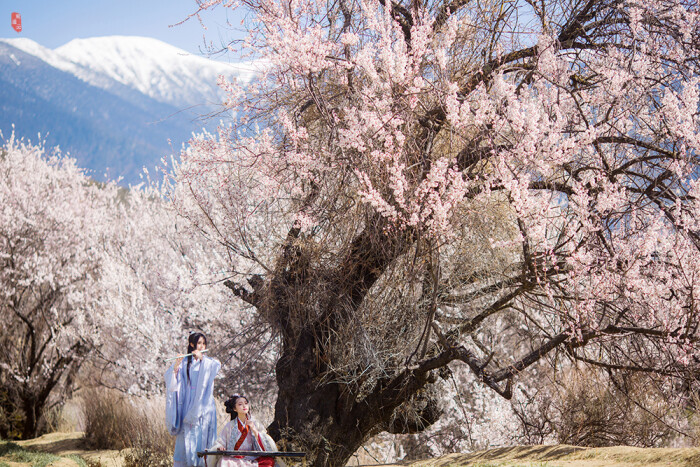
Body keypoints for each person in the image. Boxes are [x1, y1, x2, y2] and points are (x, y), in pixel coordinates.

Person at [165, 332, 221, 467]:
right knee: (186, 440)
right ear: (191, 344)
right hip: (187, 404)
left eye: (204, 343)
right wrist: (176, 367)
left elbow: (216, 367)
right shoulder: (185, 362)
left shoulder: (209, 362)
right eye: (199, 343)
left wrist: (203, 359)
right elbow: (172, 382)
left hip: (204, 405)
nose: (202, 346)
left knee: (202, 437)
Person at [210, 394, 284, 467]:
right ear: (234, 409)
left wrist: (254, 430)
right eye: (240, 404)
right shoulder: (230, 426)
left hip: (252, 457)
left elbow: (265, 441)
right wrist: (220, 447)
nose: (244, 406)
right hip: (234, 458)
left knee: (269, 461)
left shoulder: (255, 423)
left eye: (246, 403)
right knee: (223, 461)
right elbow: (220, 441)